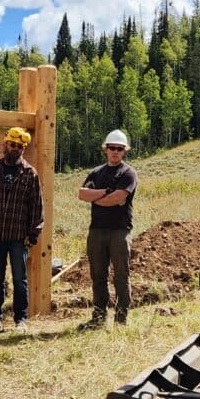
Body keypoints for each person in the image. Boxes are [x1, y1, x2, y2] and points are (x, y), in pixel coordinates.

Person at [0, 125, 43, 332]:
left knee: (19, 279)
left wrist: (34, 232)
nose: (15, 149)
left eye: (20, 147)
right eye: (12, 145)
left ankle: (20, 319)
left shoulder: (30, 174)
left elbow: (37, 205)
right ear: (4, 144)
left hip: (18, 236)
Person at [78, 128, 138, 328]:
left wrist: (98, 197)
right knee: (98, 275)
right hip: (96, 231)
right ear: (105, 149)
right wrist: (104, 193)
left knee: (121, 275)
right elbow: (82, 195)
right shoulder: (96, 172)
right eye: (111, 147)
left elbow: (118, 198)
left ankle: (121, 318)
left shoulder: (128, 173)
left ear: (124, 151)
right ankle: (99, 316)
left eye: (119, 149)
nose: (115, 151)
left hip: (120, 231)